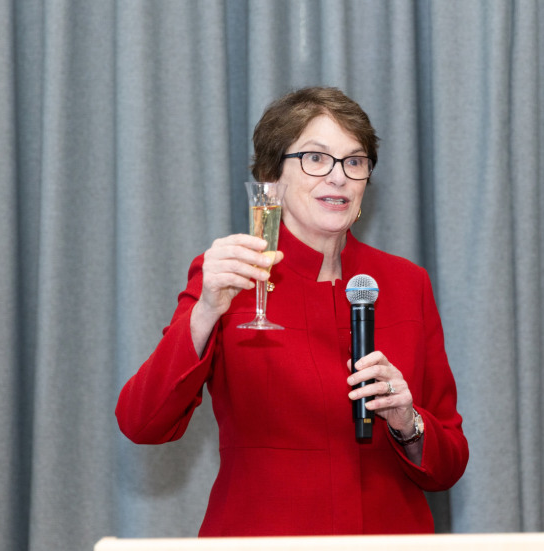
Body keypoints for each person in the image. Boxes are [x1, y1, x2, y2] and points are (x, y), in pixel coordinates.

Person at [115, 86, 469, 536]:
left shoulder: (405, 283)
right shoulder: (230, 276)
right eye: (315, 158)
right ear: (271, 177)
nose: (338, 177)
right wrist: (205, 312)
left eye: (355, 162)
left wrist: (407, 421)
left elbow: (449, 464)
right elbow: (142, 421)